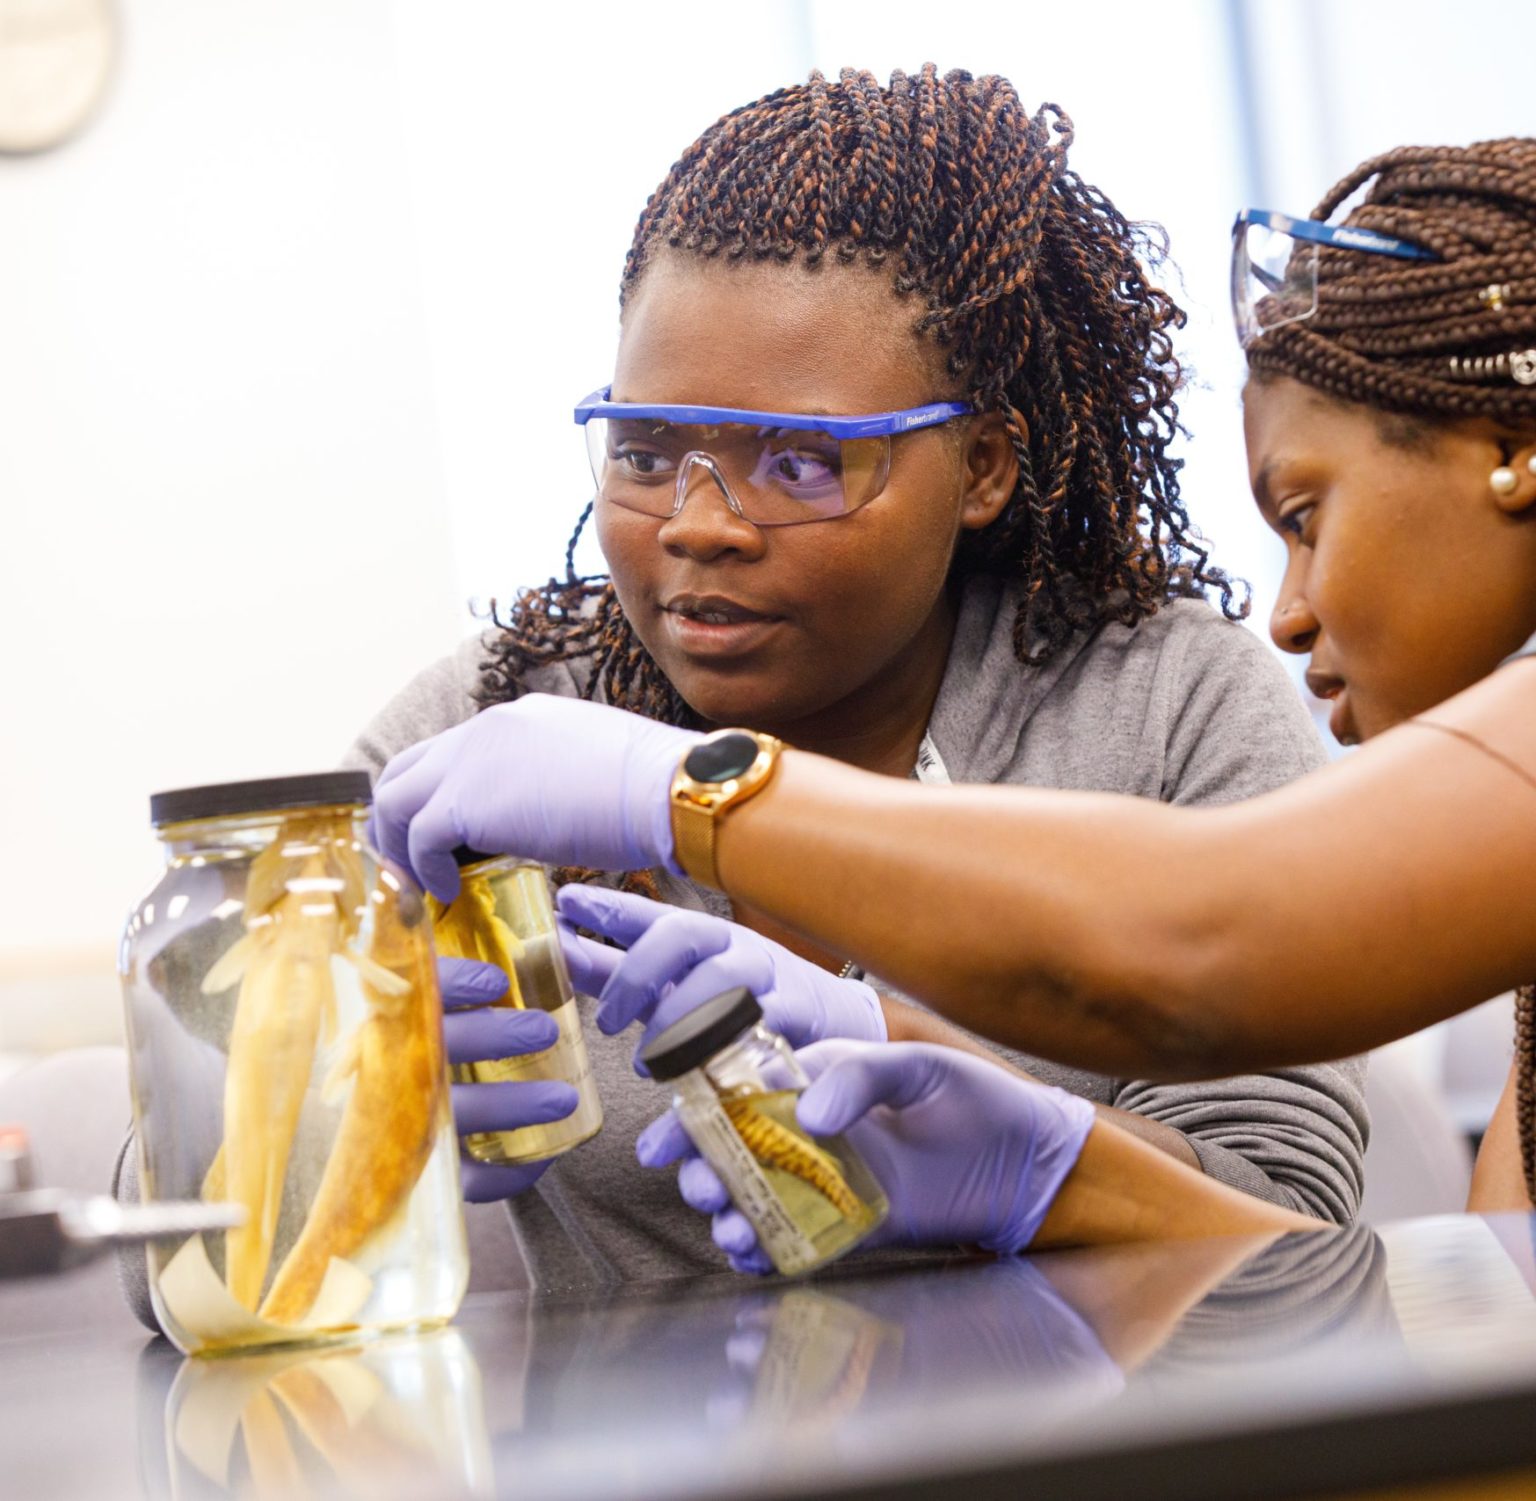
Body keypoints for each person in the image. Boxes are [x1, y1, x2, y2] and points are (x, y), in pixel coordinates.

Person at [373, 136, 1536, 1262]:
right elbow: (1502, 1301)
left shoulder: (1170, 700)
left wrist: (681, 795)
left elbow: (1208, 939)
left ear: (983, 465)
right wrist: (343, 1103)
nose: (698, 522)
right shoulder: (492, 731)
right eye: (642, 449)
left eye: (801, 460)